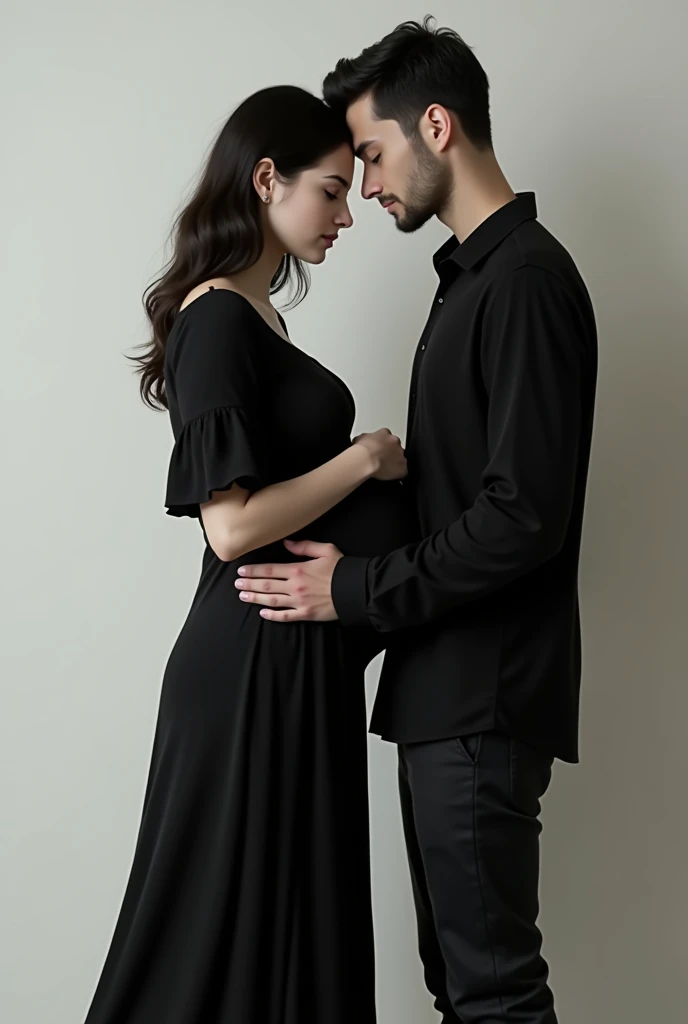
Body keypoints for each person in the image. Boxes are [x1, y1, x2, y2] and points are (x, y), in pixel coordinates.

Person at [234, 20, 598, 1024]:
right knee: (461, 989)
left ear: (435, 125)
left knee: (492, 993)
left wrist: (347, 586)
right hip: (444, 692)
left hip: (481, 698)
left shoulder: (522, 282)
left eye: (373, 153)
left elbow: (521, 517)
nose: (365, 184)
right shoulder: (473, 282)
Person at [83, 85, 416, 1024]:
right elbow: (228, 529)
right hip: (248, 666)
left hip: (291, 655)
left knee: (287, 940)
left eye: (353, 192)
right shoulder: (219, 317)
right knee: (206, 943)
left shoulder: (260, 317)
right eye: (331, 191)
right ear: (265, 179)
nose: (348, 214)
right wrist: (362, 461)